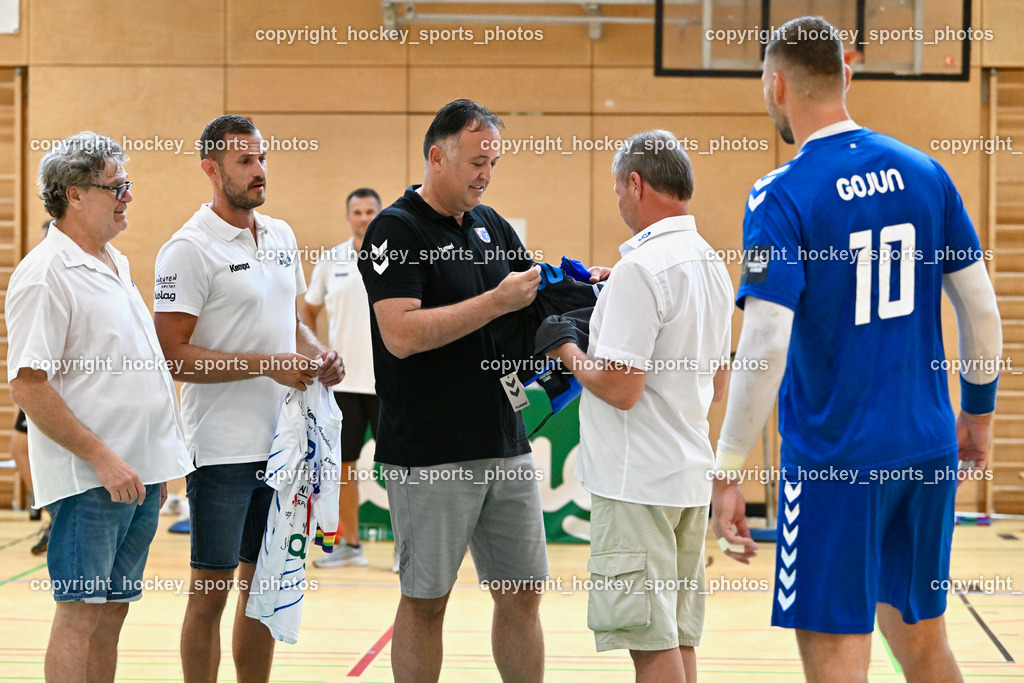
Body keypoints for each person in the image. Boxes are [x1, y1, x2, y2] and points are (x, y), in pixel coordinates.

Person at [711, 16, 1002, 683]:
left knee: (840, 655)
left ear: (777, 85)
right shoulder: (926, 172)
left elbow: (764, 343)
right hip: (927, 449)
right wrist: (977, 416)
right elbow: (981, 312)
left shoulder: (780, 193)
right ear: (848, 72)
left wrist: (727, 468)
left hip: (835, 461)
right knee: (926, 646)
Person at [357, 99, 553, 682]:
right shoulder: (396, 228)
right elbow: (400, 334)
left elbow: (532, 303)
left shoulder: (492, 225)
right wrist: (497, 300)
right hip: (431, 450)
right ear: (436, 157)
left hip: (505, 440)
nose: (485, 174)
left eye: (492, 162)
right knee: (426, 600)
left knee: (522, 593)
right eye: (475, 161)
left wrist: (585, 289)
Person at [154, 115, 343, 683]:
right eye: (245, 161)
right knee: (209, 595)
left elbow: (289, 322)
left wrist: (316, 355)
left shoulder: (281, 235)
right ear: (211, 169)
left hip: (285, 450)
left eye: (262, 158)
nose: (260, 171)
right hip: (220, 451)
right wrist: (267, 365)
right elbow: (173, 355)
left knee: (266, 590)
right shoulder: (187, 250)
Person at [545, 130, 732, 682]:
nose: (619, 201)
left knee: (649, 644)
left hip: (635, 483)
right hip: (685, 478)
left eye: (618, 189)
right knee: (675, 636)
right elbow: (717, 385)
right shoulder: (710, 263)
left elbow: (620, 388)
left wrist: (565, 347)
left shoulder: (641, 270)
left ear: (635, 182)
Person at [6, 132, 193, 683]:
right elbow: (29, 386)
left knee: (111, 615)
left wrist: (153, 465)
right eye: (116, 186)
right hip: (92, 479)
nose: (127, 197)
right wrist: (104, 459)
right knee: (80, 615)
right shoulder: (45, 275)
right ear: (74, 194)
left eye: (126, 185)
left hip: (139, 475)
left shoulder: (113, 260)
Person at [298, 187, 391, 570]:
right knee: (343, 466)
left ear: (380, 214)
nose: (365, 217)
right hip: (344, 386)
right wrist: (317, 353)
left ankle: (408, 549)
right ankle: (350, 544)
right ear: (348, 215)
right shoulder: (330, 260)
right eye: (358, 211)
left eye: (371, 211)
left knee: (402, 468)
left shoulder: (397, 256)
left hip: (389, 382)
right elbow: (307, 312)